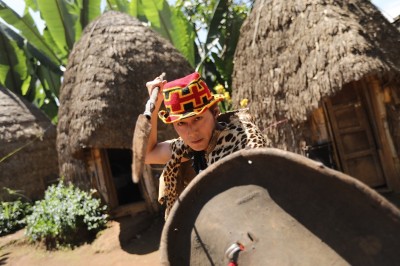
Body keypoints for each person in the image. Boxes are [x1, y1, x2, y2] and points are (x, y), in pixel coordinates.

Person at [145, 72, 267, 219]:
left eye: (198, 118)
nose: (191, 132)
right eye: (181, 123)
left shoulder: (244, 141)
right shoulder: (186, 147)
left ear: (215, 112)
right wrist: (155, 105)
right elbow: (148, 155)